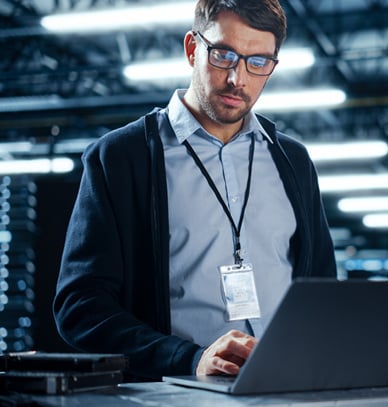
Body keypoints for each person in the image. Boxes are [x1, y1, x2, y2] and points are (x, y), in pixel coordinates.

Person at [53, 0, 336, 381]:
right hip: (175, 391)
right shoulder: (121, 158)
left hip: (286, 387)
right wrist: (187, 359)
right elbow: (79, 307)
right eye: (224, 55)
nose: (238, 78)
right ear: (192, 48)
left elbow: (322, 291)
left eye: (258, 62)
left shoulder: (293, 160)